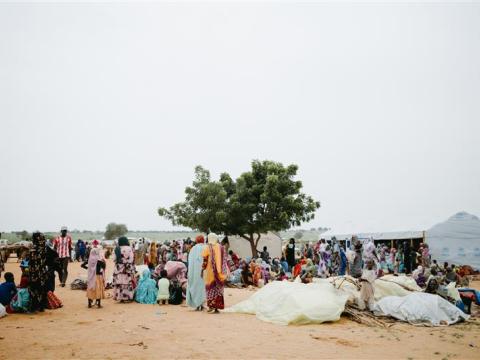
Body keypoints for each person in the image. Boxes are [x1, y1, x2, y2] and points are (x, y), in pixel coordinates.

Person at [201, 233, 228, 313]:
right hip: (220, 273)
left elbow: (205, 260)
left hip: (210, 272)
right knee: (218, 289)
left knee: (210, 288)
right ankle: (217, 308)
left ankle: (211, 307)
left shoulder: (208, 247)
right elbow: (225, 260)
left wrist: (202, 269)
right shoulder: (221, 248)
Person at [29, 232, 49, 312]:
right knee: (42, 289)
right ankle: (41, 306)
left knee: (34, 289)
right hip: (42, 272)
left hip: (35, 272)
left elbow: (32, 262)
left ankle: (34, 307)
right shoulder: (44, 248)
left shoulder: (33, 249)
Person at [186, 235, 206, 311]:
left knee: (195, 286)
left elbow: (190, 262)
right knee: (202, 288)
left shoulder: (193, 249)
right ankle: (201, 304)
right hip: (203, 272)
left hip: (193, 272)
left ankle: (197, 305)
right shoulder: (205, 248)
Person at [113, 236, 136, 302]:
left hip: (118, 269)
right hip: (127, 268)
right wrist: (126, 262)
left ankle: (120, 297)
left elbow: (114, 259)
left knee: (119, 283)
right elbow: (131, 259)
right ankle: (128, 297)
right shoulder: (129, 248)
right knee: (127, 282)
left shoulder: (117, 248)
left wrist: (121, 261)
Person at [86, 241, 106, 308]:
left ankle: (89, 303)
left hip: (91, 277)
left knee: (91, 289)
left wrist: (89, 269)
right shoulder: (99, 261)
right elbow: (104, 266)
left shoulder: (89, 260)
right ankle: (98, 303)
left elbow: (84, 266)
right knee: (98, 289)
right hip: (98, 276)